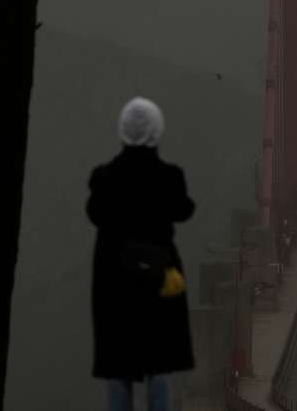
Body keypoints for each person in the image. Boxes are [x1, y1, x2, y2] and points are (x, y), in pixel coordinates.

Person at [88, 97, 197, 411]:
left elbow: (94, 214)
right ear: (157, 130)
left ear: (122, 130)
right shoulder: (169, 176)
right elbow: (184, 210)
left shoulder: (104, 177)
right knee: (159, 361)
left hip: (113, 281)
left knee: (116, 363)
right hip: (158, 277)